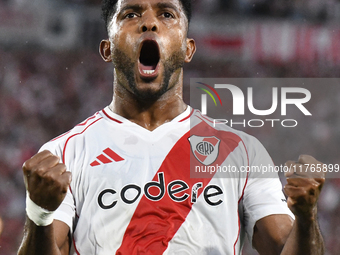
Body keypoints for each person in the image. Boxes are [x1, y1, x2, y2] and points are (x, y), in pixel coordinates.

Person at [18, 0, 326, 254]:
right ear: (107, 49)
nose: (149, 23)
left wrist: (306, 217)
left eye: (166, 14)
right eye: (131, 14)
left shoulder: (242, 152)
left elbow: (285, 246)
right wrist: (40, 214)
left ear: (188, 49)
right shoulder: (65, 153)